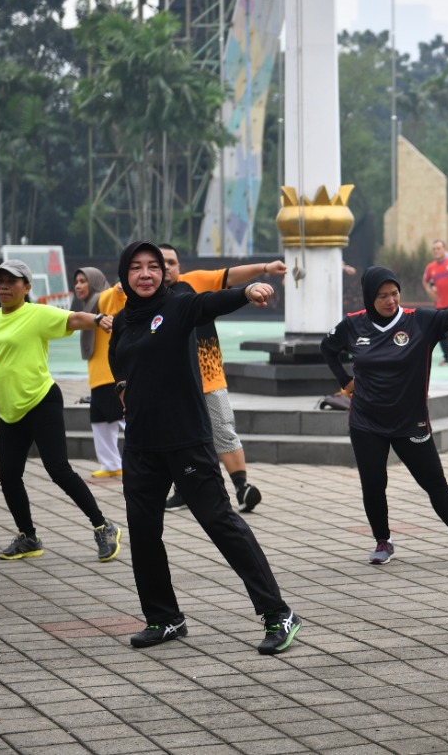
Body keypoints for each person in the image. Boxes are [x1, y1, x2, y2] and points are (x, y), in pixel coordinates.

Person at [108, 241, 300, 654]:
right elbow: (118, 360)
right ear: (125, 274)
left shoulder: (178, 306)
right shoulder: (124, 320)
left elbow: (213, 302)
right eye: (137, 268)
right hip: (141, 445)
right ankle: (164, 618)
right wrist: (124, 385)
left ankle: (277, 613)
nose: (146, 274)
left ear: (163, 273)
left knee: (220, 524)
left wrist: (249, 292)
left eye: (153, 267)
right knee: (143, 533)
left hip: (186, 441)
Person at [321, 266, 448, 566]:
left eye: (395, 293)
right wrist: (344, 382)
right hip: (366, 422)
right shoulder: (353, 325)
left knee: (434, 481)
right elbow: (328, 348)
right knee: (373, 483)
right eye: (382, 296)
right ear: (369, 297)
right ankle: (382, 541)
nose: (390, 300)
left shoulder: (420, 321)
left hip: (410, 421)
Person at [0, 259, 122, 563]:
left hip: (41, 401)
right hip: (9, 410)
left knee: (58, 468)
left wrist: (98, 319)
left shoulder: (36, 314)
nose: (3, 286)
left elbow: (74, 318)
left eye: (11, 281)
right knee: (8, 475)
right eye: (0, 281)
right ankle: (28, 537)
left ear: (26, 287)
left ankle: (103, 526)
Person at [159, 245, 284, 513]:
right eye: (161, 263)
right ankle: (181, 490)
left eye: (171, 262)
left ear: (179, 266)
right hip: (171, 383)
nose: (167, 267)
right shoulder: (146, 298)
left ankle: (242, 488)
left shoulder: (194, 281)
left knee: (224, 431)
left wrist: (265, 269)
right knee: (179, 437)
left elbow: (230, 275)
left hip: (209, 376)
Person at [72, 268, 125, 479]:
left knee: (126, 420)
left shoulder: (101, 298)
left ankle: (151, 458)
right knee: (100, 422)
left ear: (94, 282)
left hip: (110, 376)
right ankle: (111, 464)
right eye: (76, 281)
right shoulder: (90, 306)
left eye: (83, 281)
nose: (78, 285)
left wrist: (120, 289)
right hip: (98, 378)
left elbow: (114, 296)